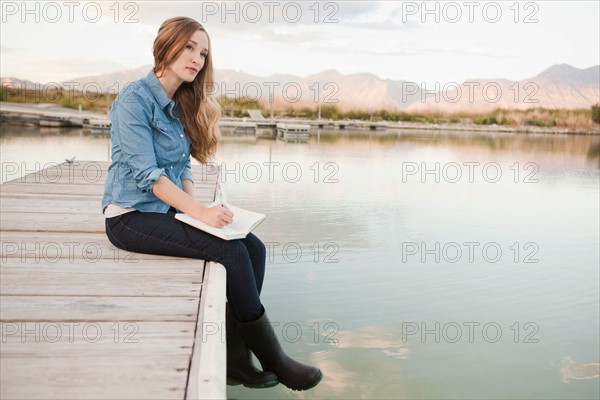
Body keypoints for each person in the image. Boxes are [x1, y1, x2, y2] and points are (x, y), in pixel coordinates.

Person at [101, 17, 322, 391]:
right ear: (166, 45)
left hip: (165, 209)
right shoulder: (133, 99)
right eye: (189, 47)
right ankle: (274, 359)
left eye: (202, 52)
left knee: (254, 248)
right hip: (128, 215)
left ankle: (236, 358)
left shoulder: (180, 101)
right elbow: (147, 174)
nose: (197, 58)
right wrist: (197, 213)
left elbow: (182, 165)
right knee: (231, 253)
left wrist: (196, 208)